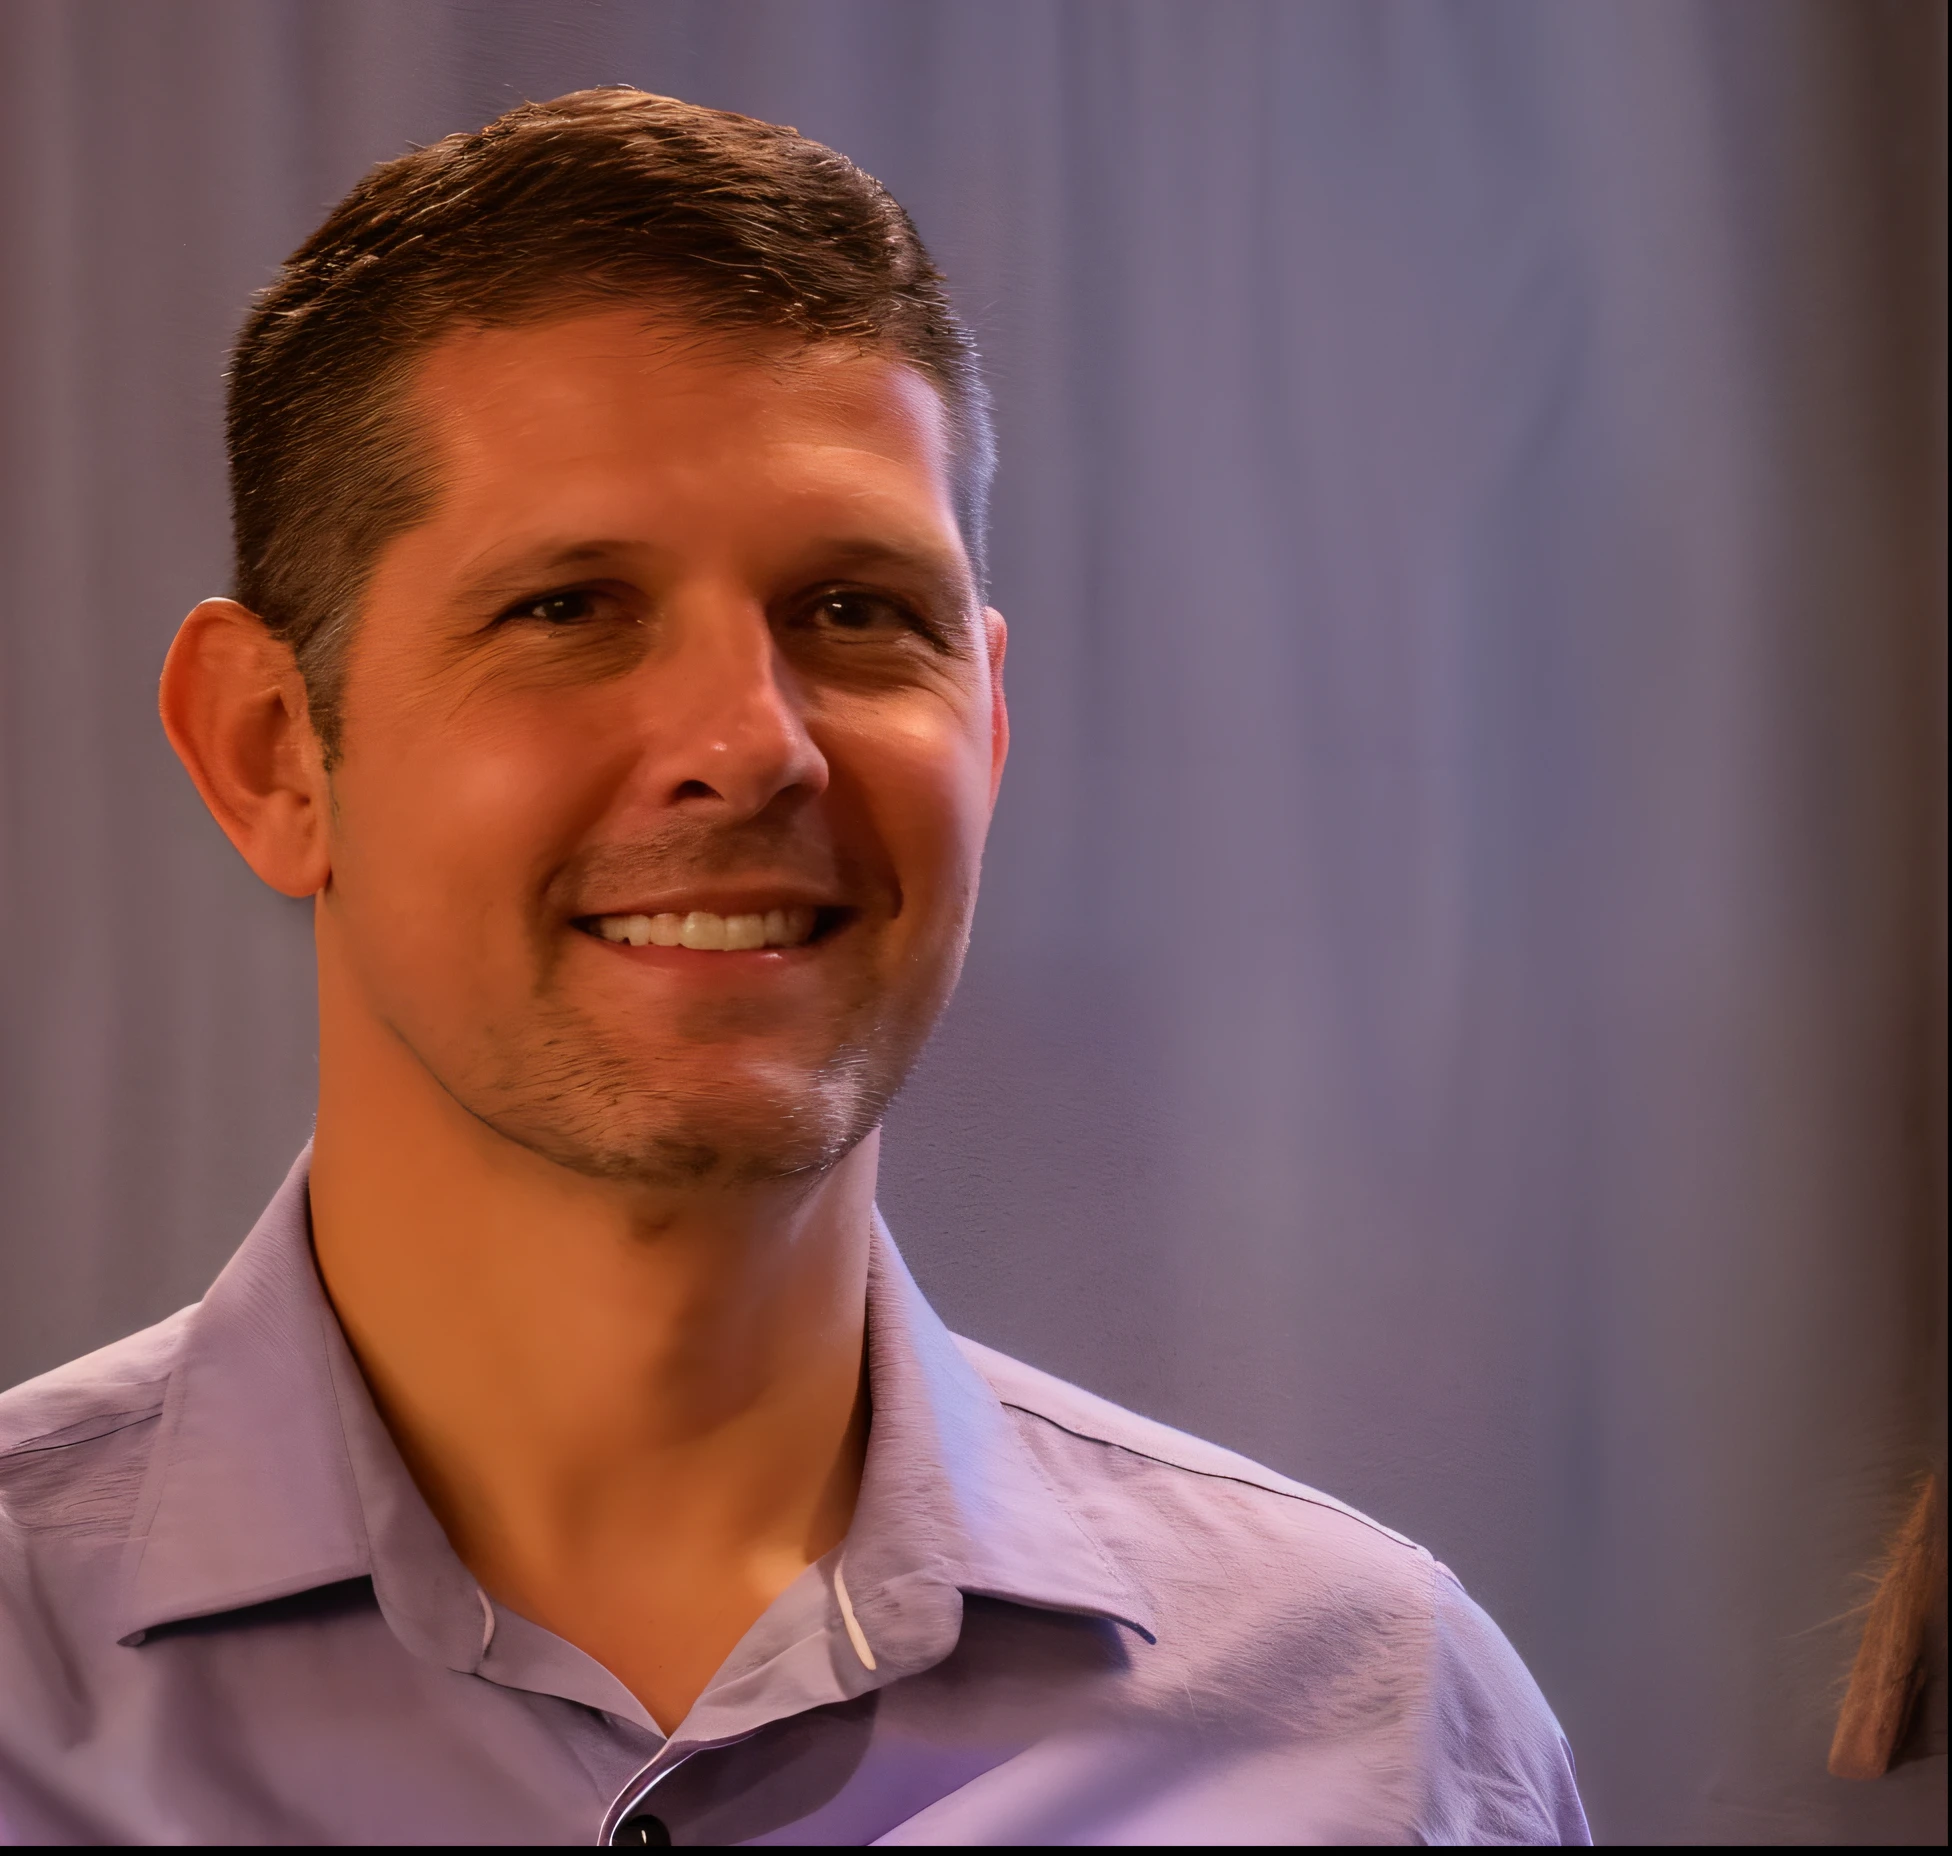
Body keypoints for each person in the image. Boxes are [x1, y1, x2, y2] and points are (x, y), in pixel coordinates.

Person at [0, 89, 1589, 1846]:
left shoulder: (1376, 1733)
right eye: (569, 608)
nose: (752, 747)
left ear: (986, 720)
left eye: (853, 611)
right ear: (273, 752)